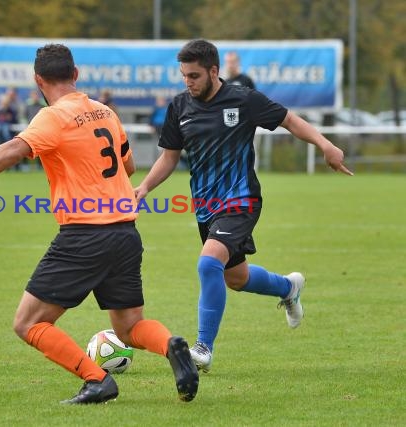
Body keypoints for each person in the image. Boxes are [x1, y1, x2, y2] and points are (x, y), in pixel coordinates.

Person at [0, 43, 199, 404]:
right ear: (75, 75)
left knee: (28, 323)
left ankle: (97, 380)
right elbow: (129, 167)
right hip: (125, 233)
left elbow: (15, 149)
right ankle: (170, 346)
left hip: (84, 236)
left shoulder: (52, 117)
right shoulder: (105, 111)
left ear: (38, 81)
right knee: (130, 326)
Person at [134, 39, 353, 373]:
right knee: (235, 277)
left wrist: (325, 144)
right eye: (184, 76)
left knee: (209, 265)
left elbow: (290, 120)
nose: (188, 82)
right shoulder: (180, 107)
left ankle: (203, 348)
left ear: (213, 71)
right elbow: (169, 157)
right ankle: (288, 287)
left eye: (194, 75)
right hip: (206, 206)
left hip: (241, 200)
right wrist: (145, 187)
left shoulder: (243, 99)